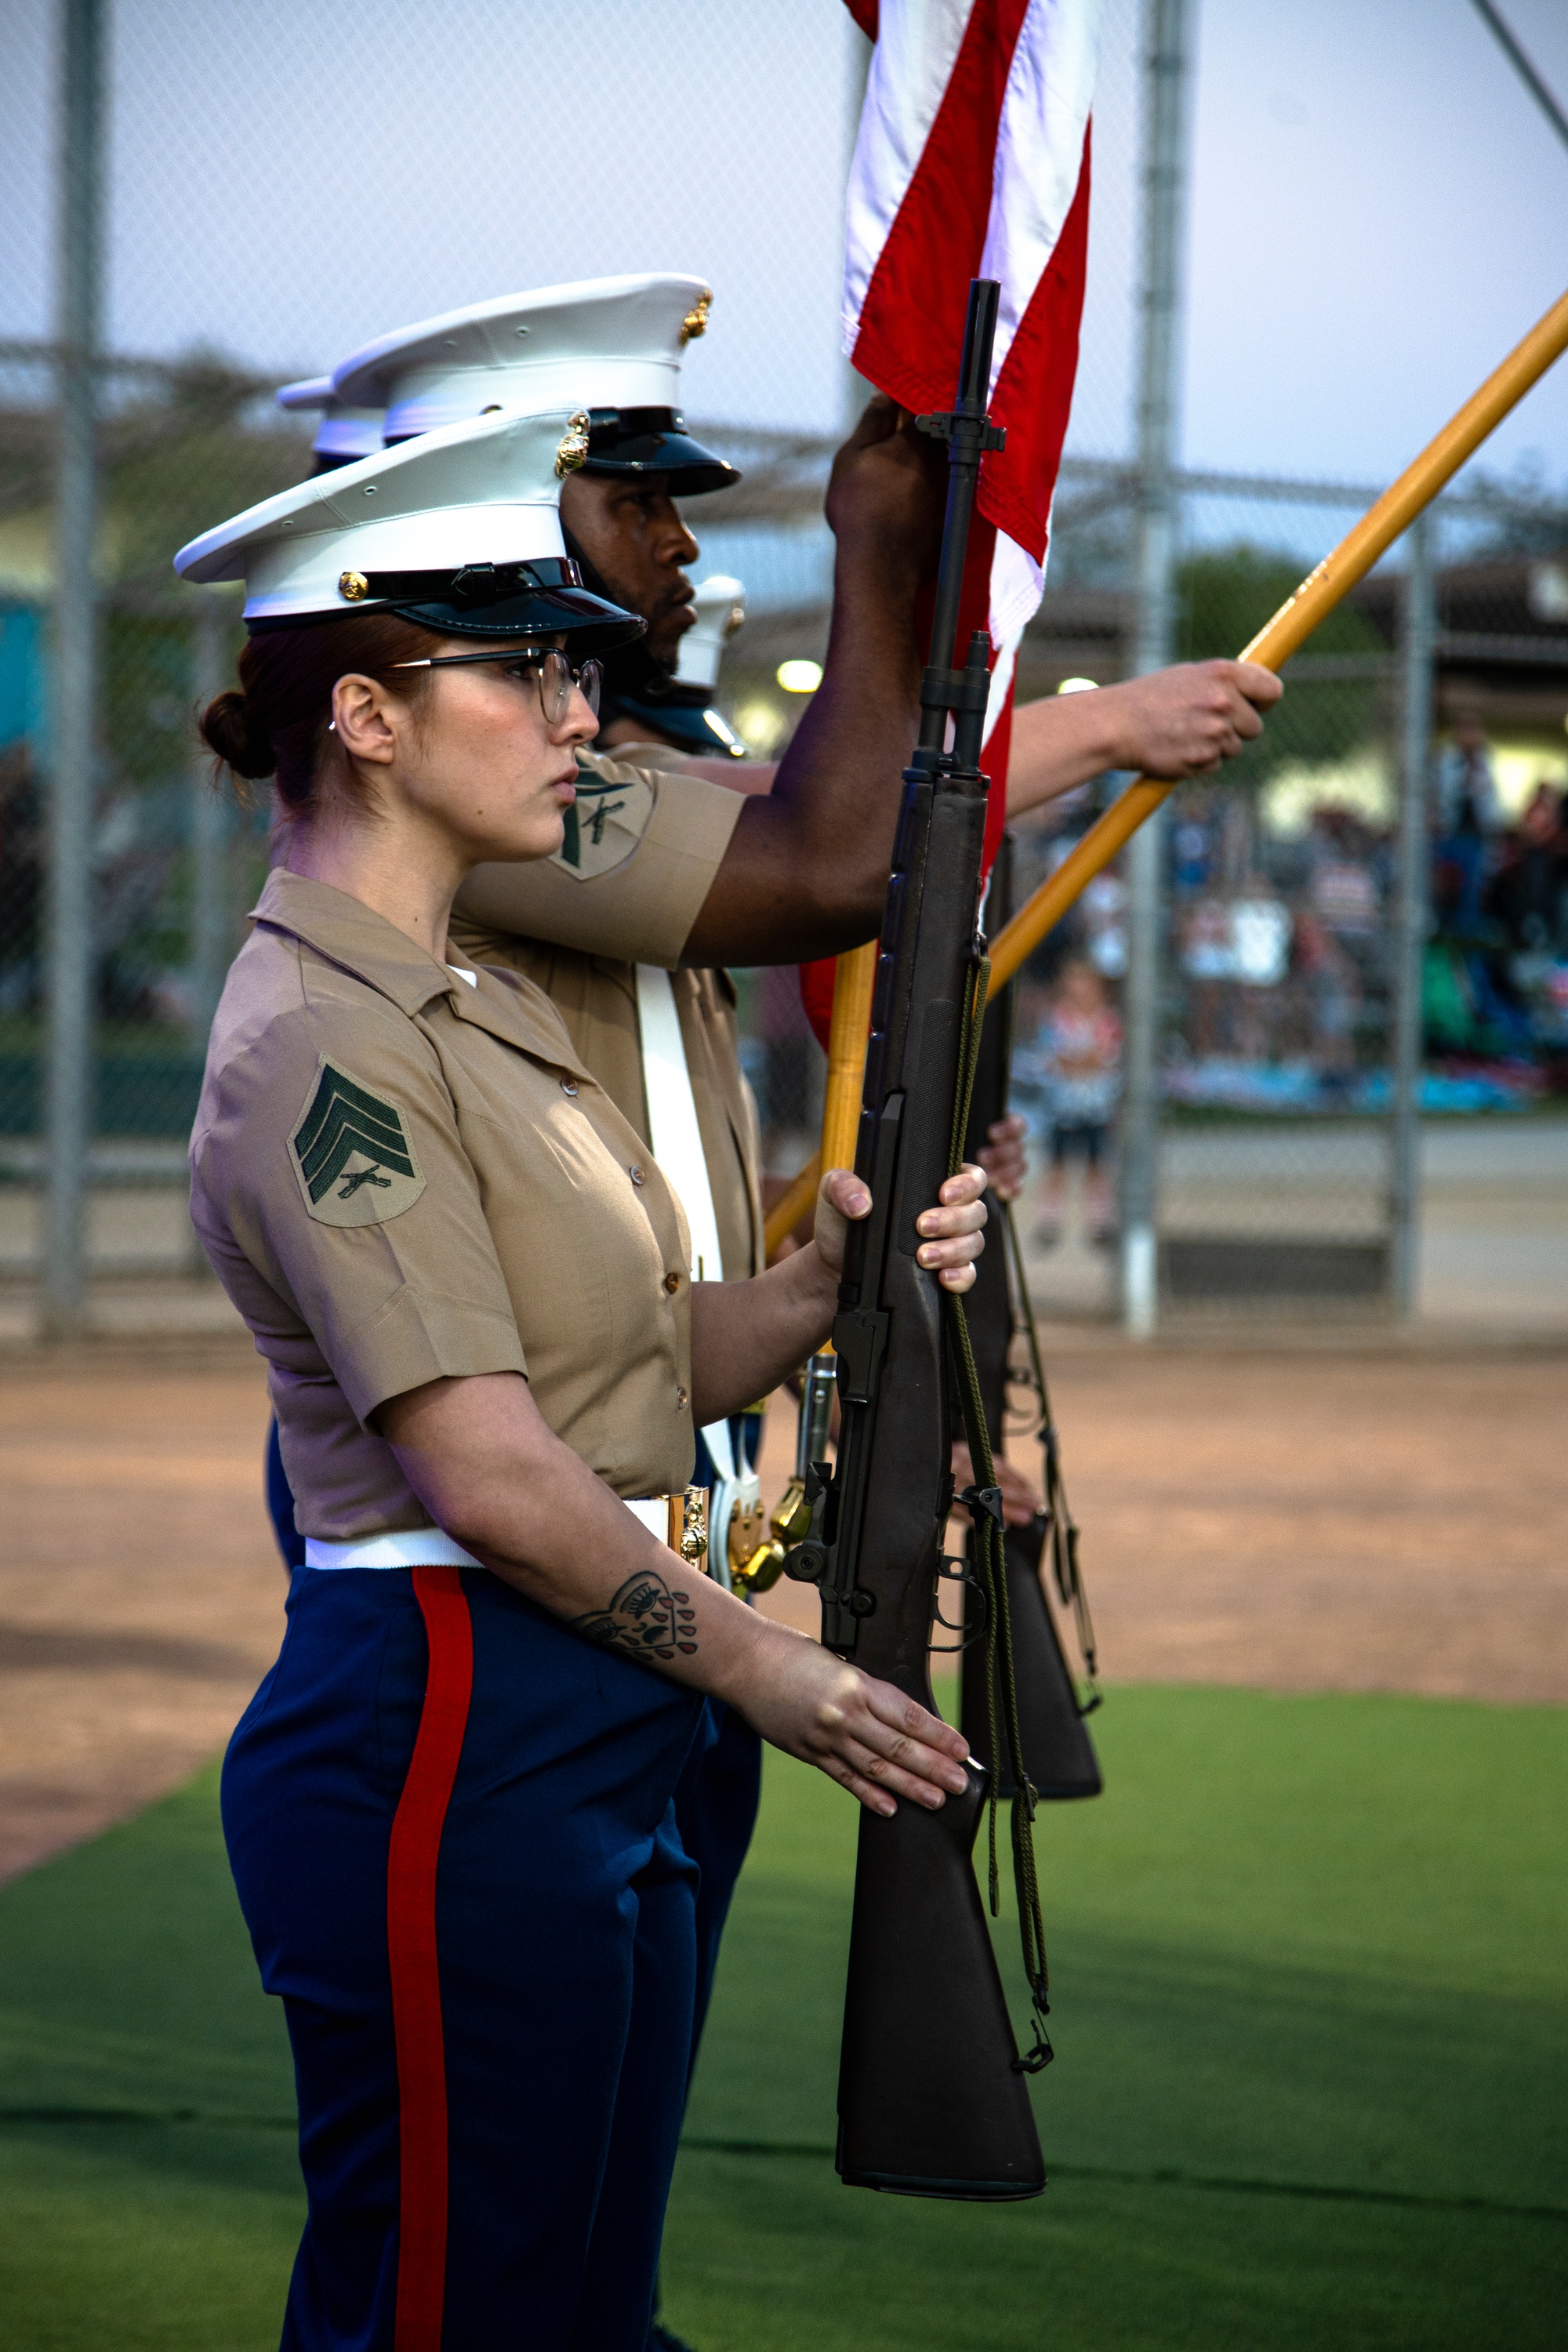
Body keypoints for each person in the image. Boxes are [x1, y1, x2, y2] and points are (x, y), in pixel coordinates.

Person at [176, 405, 988, 2351]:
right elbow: (491, 1469)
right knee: (467, 2311)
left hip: (575, 1704)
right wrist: (772, 1667)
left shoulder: (462, 998)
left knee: (574, 2307)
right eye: (521, 666)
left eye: (569, 657)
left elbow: (626, 1364)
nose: (575, 705)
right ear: (367, 717)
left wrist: (826, 1273)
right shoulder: (321, 1047)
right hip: (458, 1712)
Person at [1033, 958, 1123, 1244]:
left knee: (1096, 1165)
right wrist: (1084, 1060)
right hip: (1063, 1106)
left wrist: (1075, 1060)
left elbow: (1103, 1058)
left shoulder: (1107, 1021)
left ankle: (1099, 1223)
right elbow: (1054, 1058)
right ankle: (1050, 1222)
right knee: (1056, 1164)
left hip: (1096, 1105)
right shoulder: (1057, 1019)